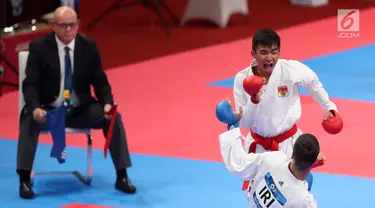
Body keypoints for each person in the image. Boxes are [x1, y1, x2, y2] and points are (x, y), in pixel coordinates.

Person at [17, 6, 136, 199]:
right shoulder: (39, 47)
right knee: (29, 119)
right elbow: (30, 84)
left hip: (80, 110)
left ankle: (122, 175)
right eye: (63, 26)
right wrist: (35, 107)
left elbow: (101, 82)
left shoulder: (88, 46)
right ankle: (24, 179)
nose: (68, 30)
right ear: (53, 26)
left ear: (78, 25)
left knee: (113, 117)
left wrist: (107, 102)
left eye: (72, 25)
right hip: (49, 110)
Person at [231, 28, 337, 192]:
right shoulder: (242, 79)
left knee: (293, 191)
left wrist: (329, 106)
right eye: (263, 52)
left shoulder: (290, 69)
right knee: (259, 196)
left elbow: (313, 83)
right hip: (259, 148)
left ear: (279, 52)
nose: (269, 58)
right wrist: (254, 100)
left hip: (289, 143)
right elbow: (244, 123)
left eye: (274, 52)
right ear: (253, 53)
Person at [219, 127, 321, 207]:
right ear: (314, 162)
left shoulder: (274, 158)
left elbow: (240, 164)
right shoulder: (303, 200)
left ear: (293, 153)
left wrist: (232, 128)